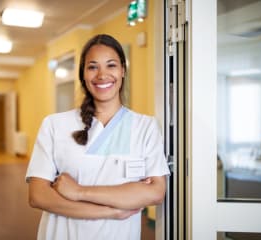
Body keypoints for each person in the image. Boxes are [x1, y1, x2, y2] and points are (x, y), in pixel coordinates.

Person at [26, 34, 170, 240]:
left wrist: (78, 192)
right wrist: (111, 210)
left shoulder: (145, 127)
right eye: (92, 67)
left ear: (123, 70)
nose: (102, 75)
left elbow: (155, 192)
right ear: (83, 75)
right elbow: (38, 196)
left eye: (111, 65)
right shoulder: (55, 125)